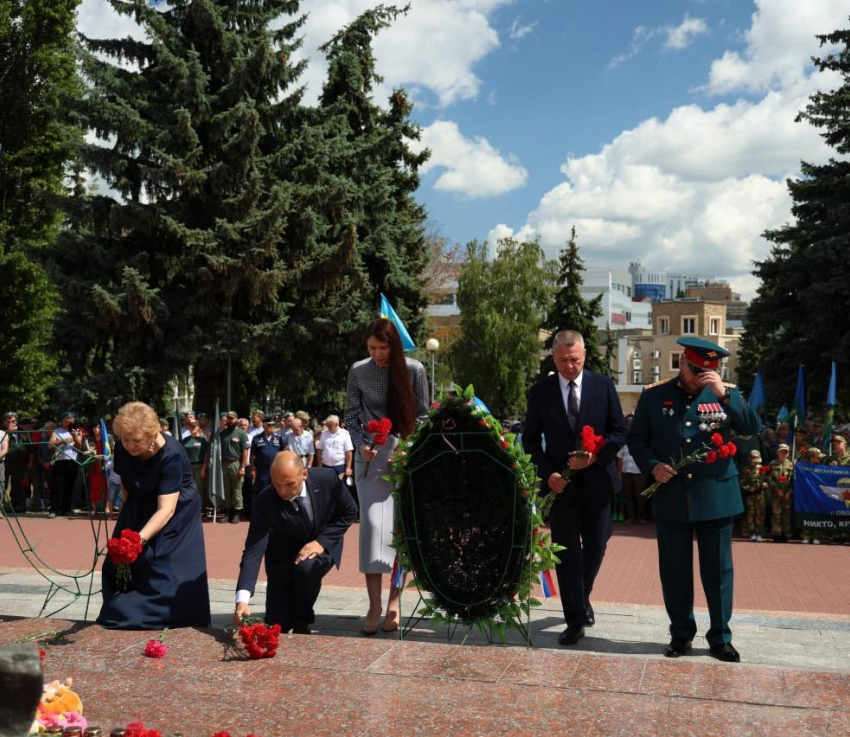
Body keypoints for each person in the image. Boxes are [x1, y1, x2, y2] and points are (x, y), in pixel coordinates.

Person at [628, 337, 761, 663]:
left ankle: (720, 637)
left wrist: (724, 394)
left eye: (708, 371)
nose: (700, 376)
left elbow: (753, 427)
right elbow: (637, 440)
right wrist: (652, 466)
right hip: (672, 495)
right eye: (696, 370)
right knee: (674, 571)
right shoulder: (654, 394)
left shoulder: (725, 393)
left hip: (716, 495)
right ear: (682, 363)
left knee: (717, 572)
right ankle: (681, 634)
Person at [524, 329, 627, 647]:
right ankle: (574, 620)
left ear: (585, 356)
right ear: (553, 358)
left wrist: (595, 457)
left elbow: (619, 432)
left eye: (575, 360)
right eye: (563, 360)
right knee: (567, 553)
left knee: (596, 546)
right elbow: (530, 439)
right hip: (562, 488)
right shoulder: (541, 391)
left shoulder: (602, 385)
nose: (570, 366)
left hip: (597, 483)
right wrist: (548, 474)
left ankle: (582, 597)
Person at [345, 317, 429, 635]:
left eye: (382, 348)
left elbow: (422, 416)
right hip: (371, 455)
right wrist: (360, 444)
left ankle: (394, 601)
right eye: (372, 348)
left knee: (398, 530)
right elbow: (351, 414)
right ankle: (374, 603)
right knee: (372, 528)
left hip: (404, 456)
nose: (377, 354)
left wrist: (408, 448)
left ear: (394, 345)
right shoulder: (357, 371)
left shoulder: (414, 370)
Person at [97, 401, 211, 629]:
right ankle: (119, 606)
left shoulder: (171, 455)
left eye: (136, 440)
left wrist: (138, 540)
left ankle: (168, 615)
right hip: (140, 499)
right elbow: (127, 486)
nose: (130, 446)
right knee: (116, 561)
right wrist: (130, 521)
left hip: (176, 509)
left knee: (156, 560)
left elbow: (166, 510)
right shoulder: (123, 446)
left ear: (153, 433)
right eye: (125, 439)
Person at [234, 451, 357, 633]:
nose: (282, 491)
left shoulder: (327, 479)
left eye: (289, 484)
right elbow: (253, 548)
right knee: (277, 624)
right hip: (283, 554)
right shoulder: (265, 501)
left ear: (304, 474)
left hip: (321, 544)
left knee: (307, 569)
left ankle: (303, 620)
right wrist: (242, 600)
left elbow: (349, 511)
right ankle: (289, 614)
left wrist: (321, 542)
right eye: (277, 484)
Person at [49, 412, 84, 518]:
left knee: (70, 486)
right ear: (62, 421)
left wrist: (75, 437)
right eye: (66, 421)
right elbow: (50, 445)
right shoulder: (57, 431)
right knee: (58, 486)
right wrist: (64, 441)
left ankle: (67, 509)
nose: (68, 423)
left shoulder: (77, 431)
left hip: (72, 461)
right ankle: (54, 509)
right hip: (60, 460)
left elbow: (79, 446)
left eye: (71, 421)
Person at [617, 414, 649, 524]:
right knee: (628, 496)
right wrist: (620, 473)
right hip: (626, 472)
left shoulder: (642, 442)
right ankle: (630, 517)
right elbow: (620, 458)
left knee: (640, 496)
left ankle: (641, 517)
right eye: (628, 423)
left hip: (639, 473)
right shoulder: (624, 443)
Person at [219, 411, 250, 523]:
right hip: (224, 463)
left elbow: (245, 452)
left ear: (236, 420)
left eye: (232, 418)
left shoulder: (241, 433)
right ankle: (227, 512)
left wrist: (242, 467)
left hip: (236, 463)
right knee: (226, 489)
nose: (229, 420)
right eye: (228, 418)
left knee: (237, 489)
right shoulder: (222, 434)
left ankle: (237, 513)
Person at [250, 416, 285, 494]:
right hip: (262, 471)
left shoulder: (279, 438)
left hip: (275, 470)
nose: (271, 427)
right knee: (262, 491)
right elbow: (252, 455)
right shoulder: (257, 438)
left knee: (276, 490)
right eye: (269, 425)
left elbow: (282, 454)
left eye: (273, 425)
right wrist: (252, 469)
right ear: (264, 425)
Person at [739, 450, 768, 542]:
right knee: (751, 514)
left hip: (760, 494)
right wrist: (747, 488)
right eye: (754, 461)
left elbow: (768, 480)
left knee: (760, 514)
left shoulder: (763, 469)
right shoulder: (746, 470)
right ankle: (752, 533)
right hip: (750, 495)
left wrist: (765, 484)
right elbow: (742, 482)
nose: (756, 463)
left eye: (758, 461)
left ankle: (760, 533)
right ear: (749, 459)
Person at [768, 443, 794, 542]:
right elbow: (769, 478)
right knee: (776, 513)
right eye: (781, 452)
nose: (783, 454)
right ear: (777, 452)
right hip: (776, 493)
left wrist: (789, 492)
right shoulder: (772, 464)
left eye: (785, 452)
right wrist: (776, 489)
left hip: (787, 493)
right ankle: (776, 533)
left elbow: (793, 480)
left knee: (787, 513)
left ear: (788, 454)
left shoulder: (791, 464)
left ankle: (785, 533)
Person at [316, 415, 354, 480]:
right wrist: (319, 466)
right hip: (326, 466)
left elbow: (349, 452)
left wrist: (348, 468)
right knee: (327, 485)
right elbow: (320, 450)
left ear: (336, 424)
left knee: (339, 486)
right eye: (327, 425)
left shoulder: (345, 434)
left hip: (339, 467)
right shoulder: (324, 433)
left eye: (330, 425)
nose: (328, 427)